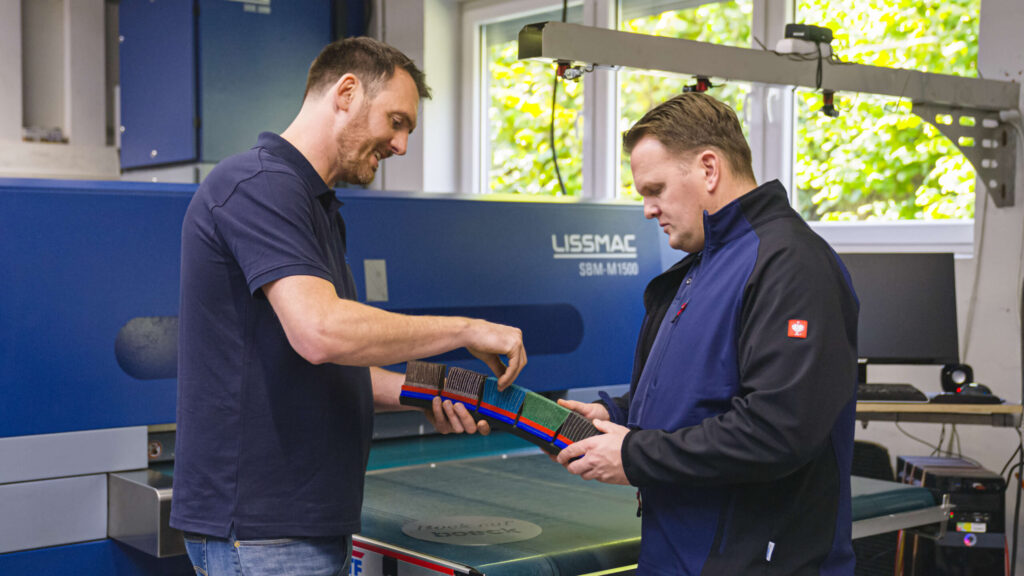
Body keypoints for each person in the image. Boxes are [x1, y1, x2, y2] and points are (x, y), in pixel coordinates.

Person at [170, 37, 526, 576]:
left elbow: (332, 368)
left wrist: (438, 389)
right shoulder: (259, 185)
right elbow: (323, 334)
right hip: (266, 532)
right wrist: (467, 329)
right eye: (397, 121)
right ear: (346, 92)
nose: (401, 145)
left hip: (304, 525)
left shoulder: (315, 206)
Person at [556, 92, 858, 575]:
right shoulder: (703, 267)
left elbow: (775, 430)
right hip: (678, 555)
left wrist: (633, 454)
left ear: (709, 169)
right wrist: (615, 414)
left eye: (655, 189)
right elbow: (700, 394)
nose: (648, 210)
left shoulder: (790, 264)